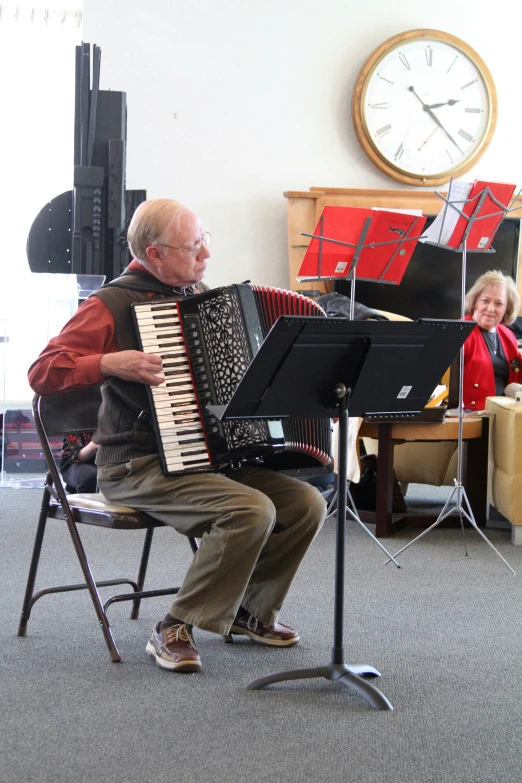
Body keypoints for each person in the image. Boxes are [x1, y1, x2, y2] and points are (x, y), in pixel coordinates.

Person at [28, 198, 327, 674]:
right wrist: (109, 362)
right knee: (250, 510)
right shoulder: (110, 304)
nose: (205, 256)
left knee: (306, 504)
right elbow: (43, 371)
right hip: (135, 464)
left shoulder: (202, 297)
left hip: (204, 458)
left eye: (205, 242)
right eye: (193, 248)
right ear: (155, 255)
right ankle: (173, 626)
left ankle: (251, 612)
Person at [463, 269, 521, 410]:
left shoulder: (508, 334)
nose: (490, 308)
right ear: (475, 301)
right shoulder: (460, 332)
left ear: (507, 309)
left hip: (506, 413)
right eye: (485, 301)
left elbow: (517, 372)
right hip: (473, 415)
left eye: (499, 304)